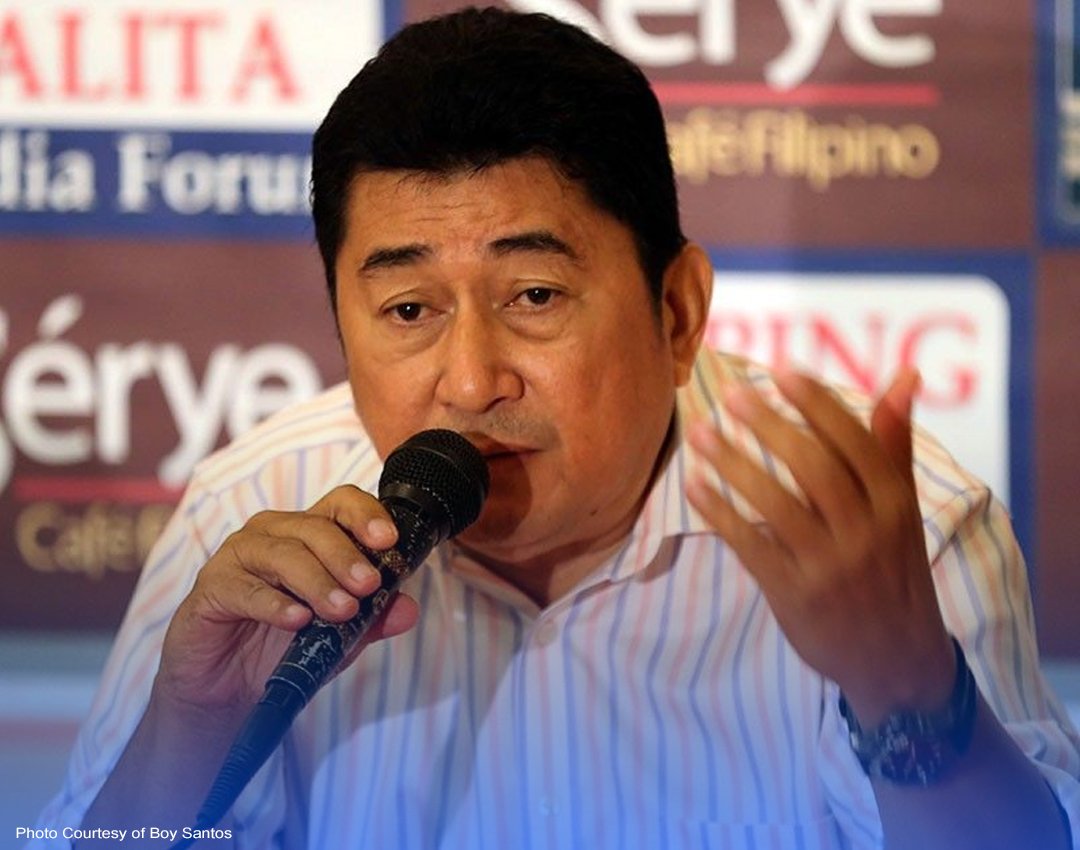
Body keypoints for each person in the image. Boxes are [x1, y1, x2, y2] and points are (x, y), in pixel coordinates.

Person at [31, 7, 1080, 849]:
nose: (470, 381)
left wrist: (909, 696)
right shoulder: (248, 515)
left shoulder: (885, 529)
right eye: (409, 310)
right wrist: (191, 726)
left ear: (678, 313)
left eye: (534, 295)